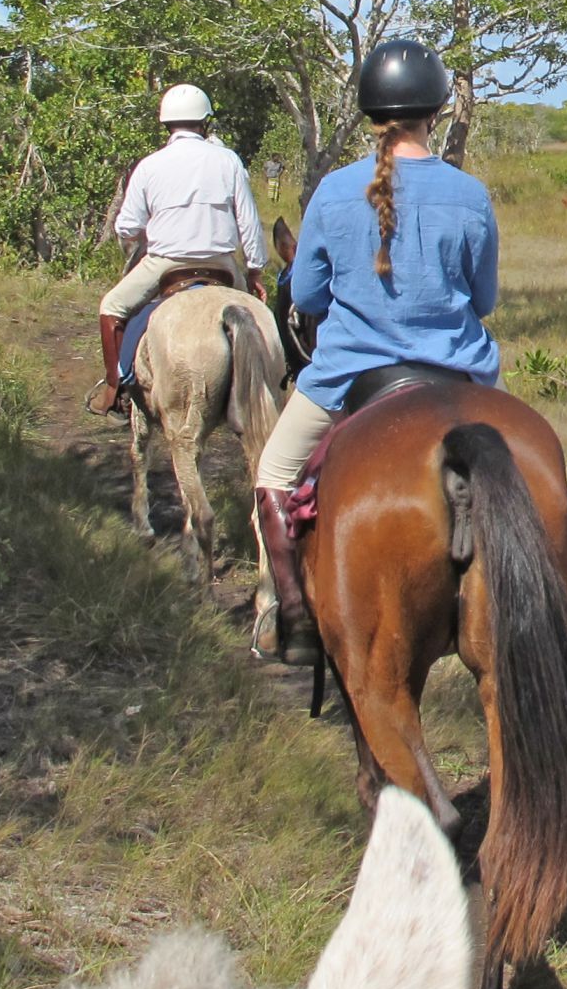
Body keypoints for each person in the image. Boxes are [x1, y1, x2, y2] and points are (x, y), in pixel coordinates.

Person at [252, 38, 500, 661]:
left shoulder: (334, 192)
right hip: (460, 375)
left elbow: (307, 294)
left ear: (369, 113)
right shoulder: (470, 194)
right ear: (435, 113)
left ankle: (294, 618)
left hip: (351, 376)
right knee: (523, 466)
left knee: (274, 474)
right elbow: (484, 299)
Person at [87, 84, 268, 415]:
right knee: (259, 320)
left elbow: (126, 227)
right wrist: (255, 269)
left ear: (166, 124)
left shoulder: (150, 165)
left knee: (111, 306)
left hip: (166, 263)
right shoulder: (228, 161)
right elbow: (249, 222)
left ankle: (115, 388)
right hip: (222, 265)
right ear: (204, 122)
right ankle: (272, 383)